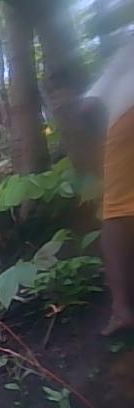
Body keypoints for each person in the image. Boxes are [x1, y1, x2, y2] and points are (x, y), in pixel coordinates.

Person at [82, 33, 134, 335]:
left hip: (128, 116)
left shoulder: (125, 53)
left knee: (116, 211)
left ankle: (122, 308)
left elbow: (88, 107)